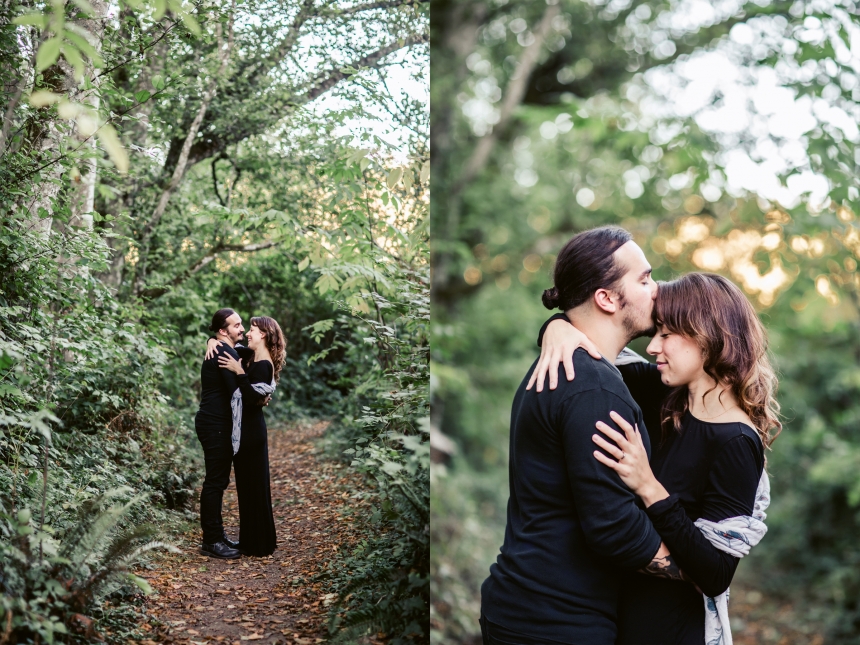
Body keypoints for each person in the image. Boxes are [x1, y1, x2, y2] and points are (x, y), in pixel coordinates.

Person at [531, 271, 781, 644]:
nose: (652, 347)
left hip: (667, 631)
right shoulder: (662, 392)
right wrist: (556, 327)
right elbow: (592, 347)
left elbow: (716, 573)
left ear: (707, 335)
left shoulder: (736, 442)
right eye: (655, 334)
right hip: (607, 616)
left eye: (666, 335)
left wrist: (649, 486)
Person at [480, 226, 684, 645]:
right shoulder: (593, 387)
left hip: (531, 610)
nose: (656, 289)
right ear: (606, 298)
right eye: (644, 279)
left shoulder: (577, 368)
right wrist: (696, 569)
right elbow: (614, 528)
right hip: (555, 623)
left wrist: (555, 325)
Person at [207, 316, 285, 557]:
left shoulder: (263, 364)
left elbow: (251, 398)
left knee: (255, 487)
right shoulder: (252, 356)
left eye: (252, 329)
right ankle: (249, 540)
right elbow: (226, 342)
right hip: (245, 431)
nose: (247, 333)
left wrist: (240, 372)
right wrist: (211, 340)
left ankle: (259, 544)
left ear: (263, 334)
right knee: (247, 487)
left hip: (252, 433)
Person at [194, 308, 247, 559]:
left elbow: (246, 353)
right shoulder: (223, 352)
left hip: (215, 423)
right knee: (215, 482)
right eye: (236, 325)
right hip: (214, 424)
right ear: (223, 330)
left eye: (241, 324)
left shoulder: (222, 348)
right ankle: (212, 541)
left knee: (219, 481)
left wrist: (211, 339)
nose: (242, 328)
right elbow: (237, 390)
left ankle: (217, 535)